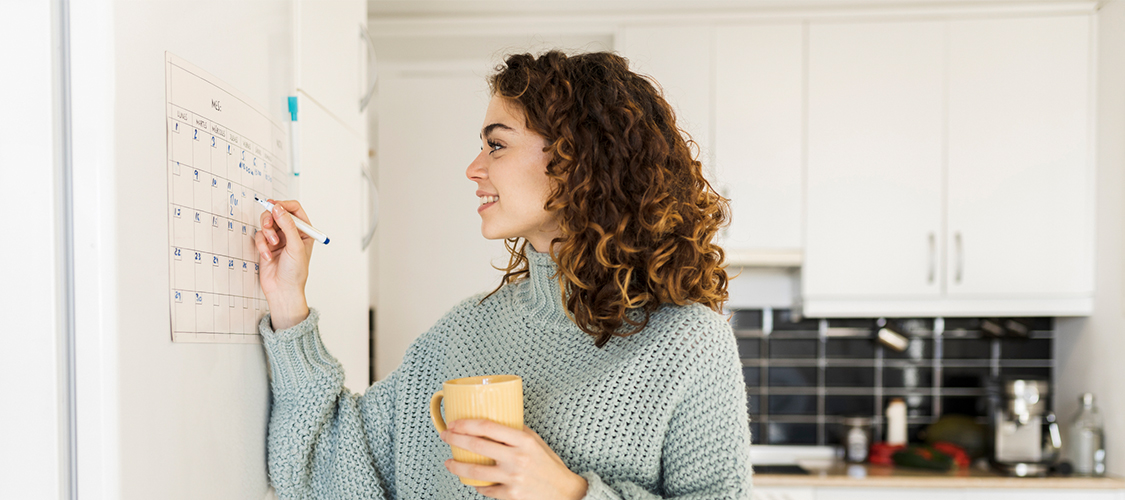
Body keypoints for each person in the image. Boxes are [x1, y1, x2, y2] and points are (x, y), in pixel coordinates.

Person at [254, 51, 752, 500]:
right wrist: (288, 303)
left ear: (577, 159)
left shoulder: (688, 343)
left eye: (496, 145)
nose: (473, 168)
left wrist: (571, 495)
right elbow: (322, 469)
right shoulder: (462, 333)